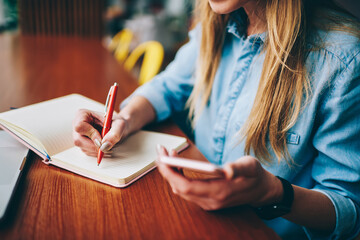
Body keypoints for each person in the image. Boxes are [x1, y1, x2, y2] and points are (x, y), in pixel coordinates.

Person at [72, 0, 360, 239]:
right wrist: (124, 118)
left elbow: (348, 210)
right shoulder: (214, 25)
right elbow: (166, 87)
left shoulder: (343, 62)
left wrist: (270, 193)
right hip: (196, 220)